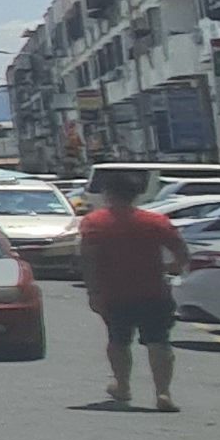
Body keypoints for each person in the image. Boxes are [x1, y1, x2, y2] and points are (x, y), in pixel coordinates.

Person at [72, 174, 192, 410]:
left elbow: (88, 259)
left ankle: (123, 385)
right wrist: (171, 268)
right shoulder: (156, 221)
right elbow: (181, 251)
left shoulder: (94, 222)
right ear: (136, 195)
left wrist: (93, 291)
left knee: (118, 340)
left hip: (114, 293)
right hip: (154, 291)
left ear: (108, 194)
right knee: (159, 342)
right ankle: (163, 393)